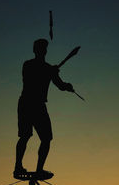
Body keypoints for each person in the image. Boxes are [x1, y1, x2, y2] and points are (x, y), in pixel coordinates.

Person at [14, 38, 74, 177]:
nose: (43, 51)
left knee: (43, 138)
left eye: (44, 49)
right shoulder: (29, 65)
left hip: (33, 105)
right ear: (37, 50)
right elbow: (32, 78)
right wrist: (50, 72)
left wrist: (67, 86)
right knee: (27, 136)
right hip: (30, 104)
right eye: (41, 49)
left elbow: (60, 85)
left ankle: (36, 169)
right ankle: (20, 167)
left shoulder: (47, 69)